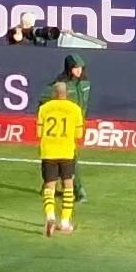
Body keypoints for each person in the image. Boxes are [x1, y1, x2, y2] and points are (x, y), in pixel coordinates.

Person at [36, 80, 84, 236]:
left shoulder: (44, 109)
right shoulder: (75, 109)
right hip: (66, 152)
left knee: (49, 186)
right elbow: (79, 134)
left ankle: (50, 217)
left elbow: (38, 133)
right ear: (66, 94)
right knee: (68, 185)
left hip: (48, 152)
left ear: (53, 93)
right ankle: (65, 222)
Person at [58, 54, 91, 201]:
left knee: (64, 157)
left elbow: (84, 105)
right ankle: (79, 190)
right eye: (75, 67)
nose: (78, 70)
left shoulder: (85, 84)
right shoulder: (61, 84)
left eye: (80, 67)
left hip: (78, 125)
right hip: (63, 126)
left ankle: (49, 186)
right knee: (71, 157)